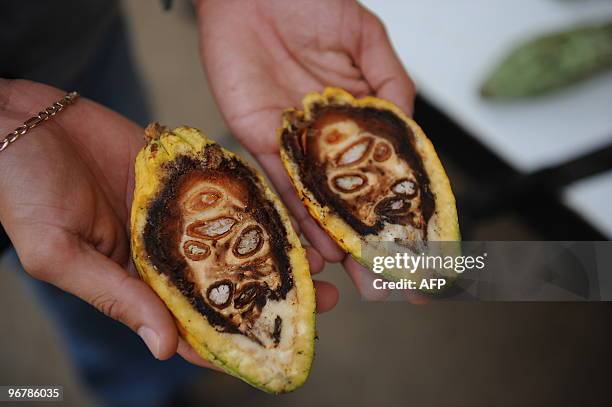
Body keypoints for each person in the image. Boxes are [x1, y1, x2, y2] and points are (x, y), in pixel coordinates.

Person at [0, 0, 415, 405]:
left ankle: (170, 381)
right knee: (90, 270)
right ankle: (141, 392)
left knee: (105, 238)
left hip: (67, 28)